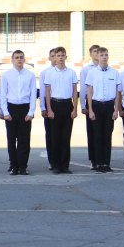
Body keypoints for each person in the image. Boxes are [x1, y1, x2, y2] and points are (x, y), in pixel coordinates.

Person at [0, 50, 36, 175]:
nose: (19, 60)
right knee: (11, 139)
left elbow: (33, 95)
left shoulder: (30, 75)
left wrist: (31, 112)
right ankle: (14, 165)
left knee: (24, 140)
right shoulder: (6, 75)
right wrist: (5, 111)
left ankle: (23, 166)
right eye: (16, 58)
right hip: (11, 108)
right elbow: (3, 94)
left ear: (24, 60)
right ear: (12, 60)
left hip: (24, 108)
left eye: (21, 57)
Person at [44, 46, 79, 174]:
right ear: (55, 57)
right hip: (55, 104)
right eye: (58, 56)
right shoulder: (50, 73)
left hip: (67, 105)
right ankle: (56, 165)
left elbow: (75, 92)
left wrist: (75, 108)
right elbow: (47, 92)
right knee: (55, 137)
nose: (60, 58)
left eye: (62, 55)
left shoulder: (71, 72)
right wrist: (49, 109)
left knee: (66, 137)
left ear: (66, 57)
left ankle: (65, 165)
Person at [86, 47, 120, 173]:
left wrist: (116, 110)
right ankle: (98, 163)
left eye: (106, 55)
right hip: (96, 105)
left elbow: (117, 93)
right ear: (97, 57)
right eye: (102, 55)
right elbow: (89, 92)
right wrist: (90, 110)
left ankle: (106, 163)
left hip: (109, 106)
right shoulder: (92, 73)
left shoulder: (114, 73)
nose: (104, 57)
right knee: (98, 136)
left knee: (107, 135)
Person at [80, 44, 100, 170]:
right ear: (91, 54)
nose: (97, 54)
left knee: (103, 132)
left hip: (103, 103)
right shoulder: (86, 70)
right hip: (91, 103)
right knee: (92, 132)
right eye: (94, 51)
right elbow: (83, 88)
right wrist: (83, 104)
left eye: (99, 51)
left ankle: (103, 159)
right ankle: (93, 159)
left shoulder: (106, 69)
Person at [39, 48, 57, 170]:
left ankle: (61, 160)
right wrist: (43, 107)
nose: (56, 58)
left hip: (61, 105)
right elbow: (42, 91)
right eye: (53, 56)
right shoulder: (45, 72)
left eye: (58, 55)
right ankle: (52, 160)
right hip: (49, 104)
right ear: (50, 58)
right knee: (51, 134)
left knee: (61, 135)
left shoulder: (67, 72)